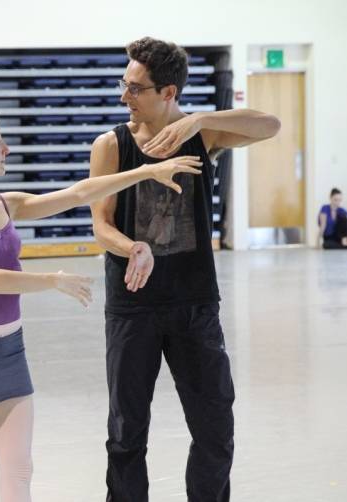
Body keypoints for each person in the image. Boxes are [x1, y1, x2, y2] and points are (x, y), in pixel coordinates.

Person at [0, 104, 203, 502]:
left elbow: (79, 193)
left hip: (9, 350)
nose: (5, 148)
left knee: (19, 469)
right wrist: (52, 280)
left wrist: (146, 170)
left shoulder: (6, 204)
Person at [89, 37, 281, 502]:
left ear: (168, 92)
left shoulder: (203, 135)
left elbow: (270, 124)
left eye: (135, 88)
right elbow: (101, 224)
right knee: (126, 434)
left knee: (215, 426)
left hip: (195, 305)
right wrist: (132, 246)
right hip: (133, 309)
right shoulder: (110, 145)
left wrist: (203, 118)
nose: (124, 96)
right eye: (124, 84)